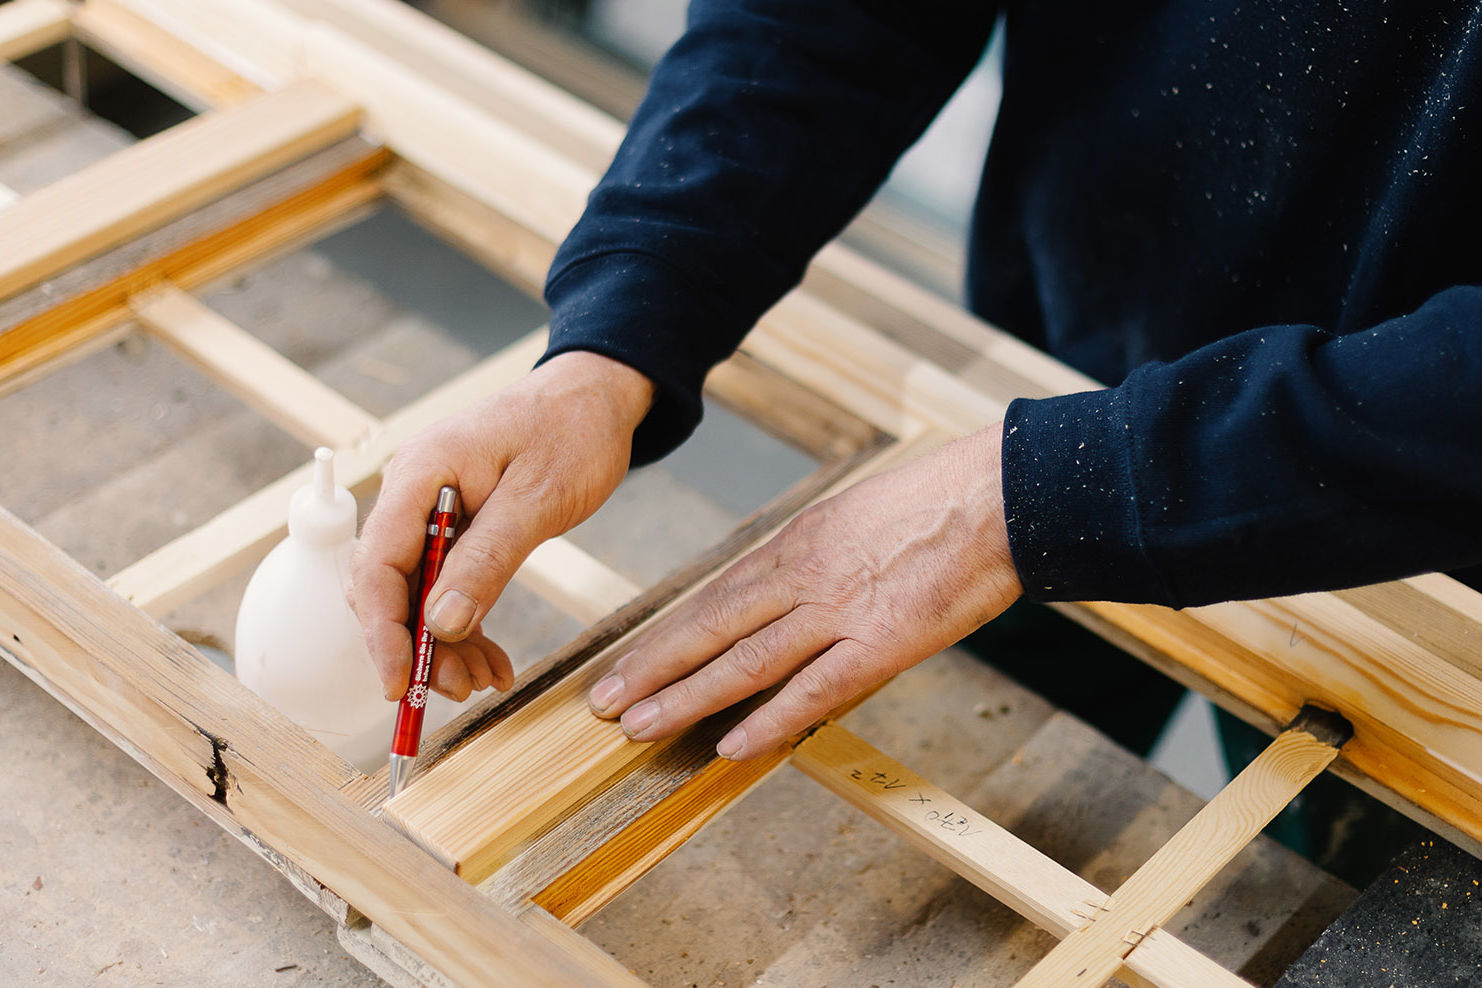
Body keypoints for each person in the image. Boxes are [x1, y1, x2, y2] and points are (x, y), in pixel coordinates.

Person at [350, 2, 1482, 774]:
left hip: (1429, 559)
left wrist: (1030, 496)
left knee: (1332, 888)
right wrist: (617, 331)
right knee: (985, 769)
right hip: (1052, 377)